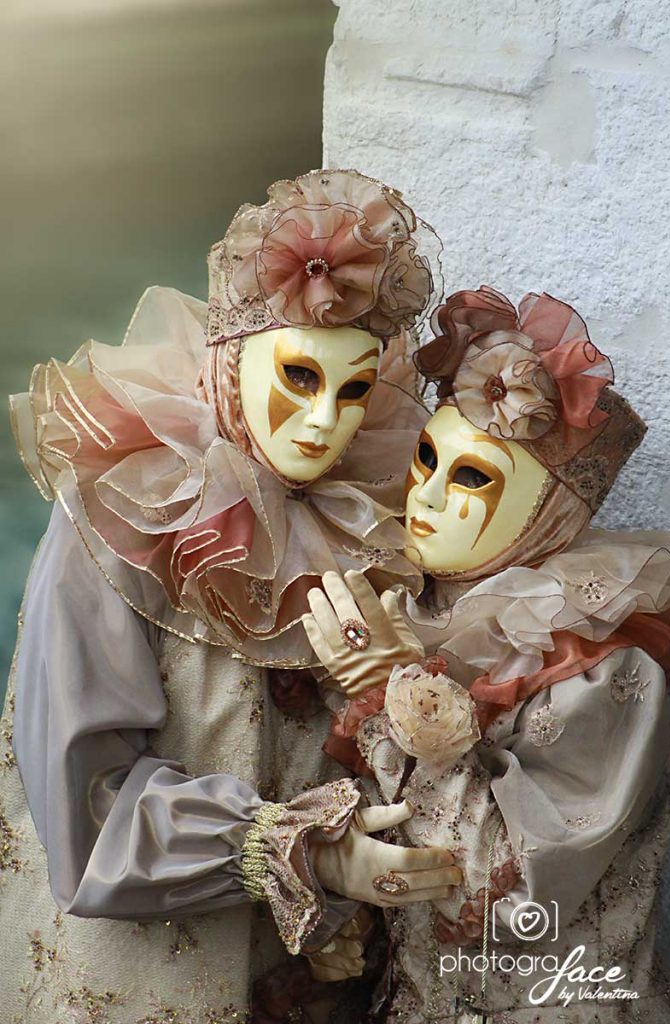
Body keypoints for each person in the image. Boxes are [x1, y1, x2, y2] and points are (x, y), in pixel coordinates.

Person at [0, 170, 460, 1024]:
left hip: (312, 975)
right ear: (228, 358)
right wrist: (308, 856)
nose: (326, 422)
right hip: (153, 979)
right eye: (296, 378)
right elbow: (85, 807)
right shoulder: (122, 513)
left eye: (353, 389)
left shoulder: (373, 520)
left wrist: (390, 699)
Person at [304, 286, 670, 1022]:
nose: (427, 498)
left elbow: (503, 893)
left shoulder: (607, 670)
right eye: (425, 458)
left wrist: (393, 697)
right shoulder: (401, 616)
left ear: (550, 509)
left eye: (472, 476)